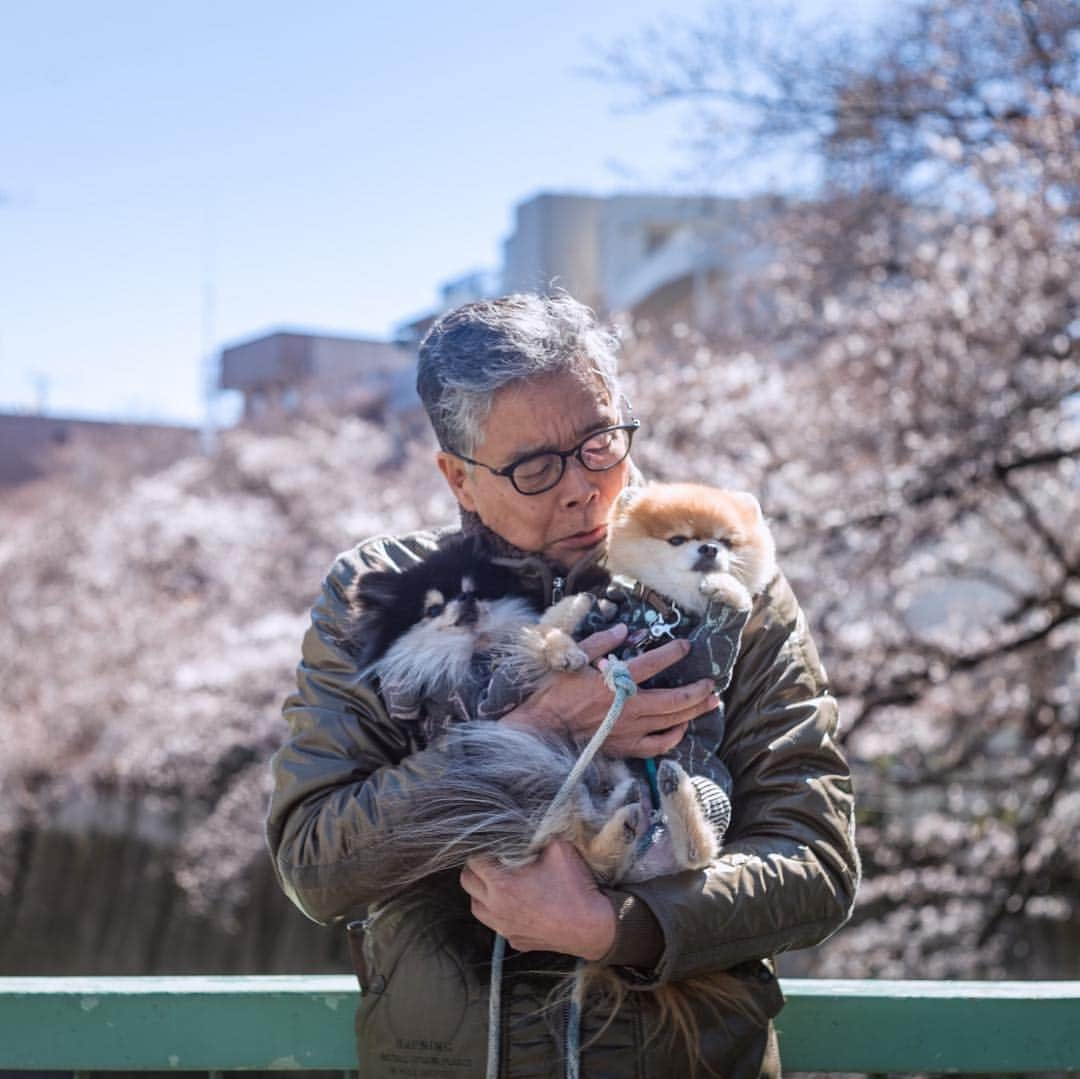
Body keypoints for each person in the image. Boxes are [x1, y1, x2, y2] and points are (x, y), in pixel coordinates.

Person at [266, 292, 860, 1078]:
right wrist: (530, 732)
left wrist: (620, 926)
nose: (583, 487)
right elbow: (316, 862)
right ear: (459, 478)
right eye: (535, 467)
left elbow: (817, 860)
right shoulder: (383, 596)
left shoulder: (725, 581)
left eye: (600, 442)